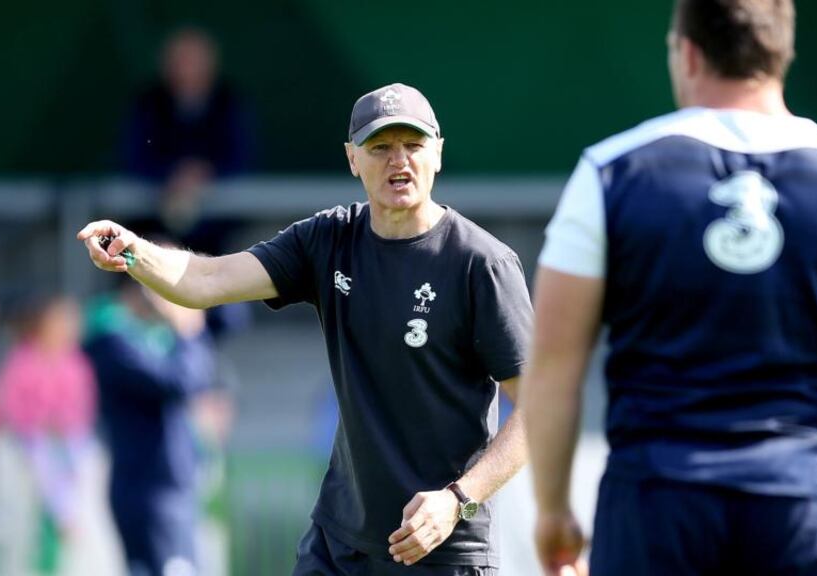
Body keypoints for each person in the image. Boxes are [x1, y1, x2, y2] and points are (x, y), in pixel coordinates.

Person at [520, 2, 817, 575]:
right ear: (781, 54)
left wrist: (552, 510)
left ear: (689, 52)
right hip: (799, 511)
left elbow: (552, 361)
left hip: (653, 506)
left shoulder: (610, 172)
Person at [79, 82, 532, 575]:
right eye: (380, 147)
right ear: (352, 159)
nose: (398, 160)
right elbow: (206, 280)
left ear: (438, 153)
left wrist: (458, 499)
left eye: (413, 145)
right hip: (339, 544)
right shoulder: (328, 239)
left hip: (438, 548)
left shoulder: (480, 264)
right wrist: (133, 252)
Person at [82, 281, 215, 576]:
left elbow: (231, 319)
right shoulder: (112, 341)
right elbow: (179, 382)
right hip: (148, 491)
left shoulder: (152, 339)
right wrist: (188, 332)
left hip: (167, 486)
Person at [122, 25, 255, 256]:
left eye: (193, 61)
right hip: (151, 229)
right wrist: (171, 175)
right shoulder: (147, 103)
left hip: (220, 234)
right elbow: (133, 158)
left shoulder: (230, 102)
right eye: (179, 61)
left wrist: (204, 173)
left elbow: (242, 158)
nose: (186, 70)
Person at [0, 295, 98, 575]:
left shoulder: (75, 362)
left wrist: (64, 423)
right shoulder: (24, 359)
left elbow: (82, 402)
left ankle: (67, 514)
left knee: (78, 462)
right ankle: (64, 515)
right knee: (42, 461)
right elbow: (14, 404)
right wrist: (40, 422)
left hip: (68, 436)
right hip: (34, 437)